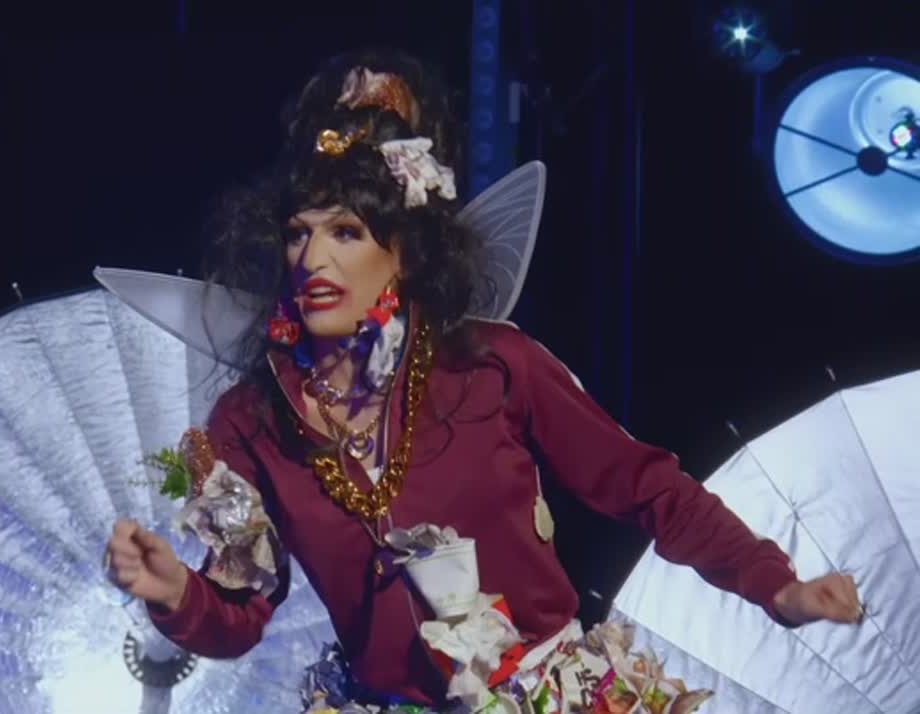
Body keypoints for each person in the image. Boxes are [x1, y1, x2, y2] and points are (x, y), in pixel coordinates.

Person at [103, 49, 864, 711]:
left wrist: (775, 585)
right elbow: (238, 611)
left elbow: (648, 488)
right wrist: (177, 595)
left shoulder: (490, 365)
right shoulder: (251, 421)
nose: (314, 260)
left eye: (346, 232)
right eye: (298, 234)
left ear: (404, 255)